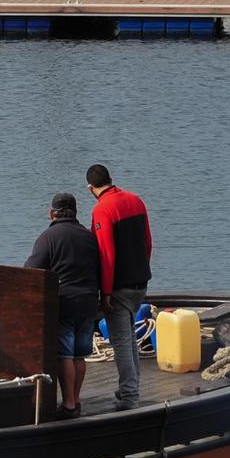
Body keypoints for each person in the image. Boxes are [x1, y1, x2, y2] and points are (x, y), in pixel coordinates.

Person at [25, 192, 101, 419]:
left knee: (65, 355)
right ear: (76, 212)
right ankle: (75, 400)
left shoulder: (48, 237)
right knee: (80, 355)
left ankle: (68, 405)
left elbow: (31, 270)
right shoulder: (89, 237)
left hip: (65, 303)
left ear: (52, 213)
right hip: (88, 302)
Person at [86, 163, 153, 411]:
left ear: (90, 188)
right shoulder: (136, 200)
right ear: (111, 179)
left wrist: (105, 292)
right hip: (141, 282)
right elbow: (147, 242)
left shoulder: (102, 210)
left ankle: (129, 395)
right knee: (129, 340)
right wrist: (142, 269)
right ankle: (131, 387)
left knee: (122, 341)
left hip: (119, 286)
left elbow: (106, 255)